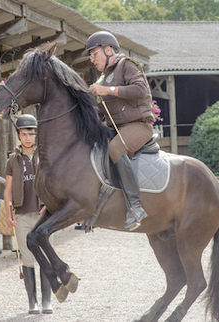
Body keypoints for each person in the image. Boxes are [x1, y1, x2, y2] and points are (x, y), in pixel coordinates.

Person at [85, 30, 154, 231]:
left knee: (115, 149)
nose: (91, 59)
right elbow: (103, 112)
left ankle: (135, 207)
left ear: (108, 50)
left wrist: (108, 91)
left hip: (139, 125)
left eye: (94, 54)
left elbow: (140, 90)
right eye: (90, 55)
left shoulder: (128, 65)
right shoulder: (104, 77)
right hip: (118, 128)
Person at [4, 114, 52, 315]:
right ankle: (32, 302)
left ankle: (47, 302)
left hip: (43, 216)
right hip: (22, 215)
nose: (28, 138)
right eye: (24, 134)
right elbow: (7, 191)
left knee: (45, 258)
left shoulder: (46, 156)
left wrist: (49, 204)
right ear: (18, 135)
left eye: (32, 134)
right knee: (27, 258)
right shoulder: (12, 160)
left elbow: (54, 184)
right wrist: (8, 213)